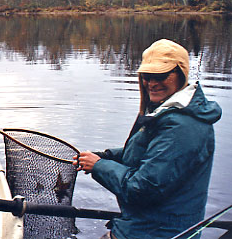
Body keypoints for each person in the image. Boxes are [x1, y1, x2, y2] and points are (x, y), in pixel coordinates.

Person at [73, 39, 222, 239]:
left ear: (181, 74)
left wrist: (99, 166)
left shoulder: (182, 127)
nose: (152, 83)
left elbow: (141, 189)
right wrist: (106, 156)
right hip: (141, 227)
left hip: (158, 233)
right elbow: (148, 152)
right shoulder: (167, 111)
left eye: (160, 75)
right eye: (147, 76)